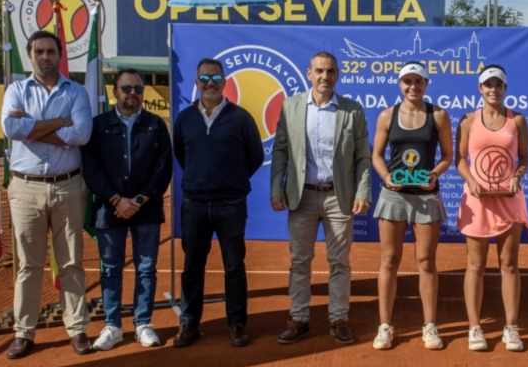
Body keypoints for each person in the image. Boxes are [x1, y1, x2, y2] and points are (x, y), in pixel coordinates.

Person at [1, 30, 93, 359]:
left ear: (59, 55)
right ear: (30, 56)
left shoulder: (77, 91)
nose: (45, 57)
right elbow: (11, 129)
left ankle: (77, 328)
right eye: (38, 51)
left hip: (68, 185)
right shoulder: (16, 90)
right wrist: (59, 122)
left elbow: (82, 134)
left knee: (71, 262)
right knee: (29, 265)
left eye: (50, 51)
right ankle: (24, 332)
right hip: (26, 187)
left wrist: (33, 127)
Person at [270, 52, 372, 345]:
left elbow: (362, 157)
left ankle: (338, 319)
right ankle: (299, 319)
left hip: (338, 197)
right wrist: (276, 187)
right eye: (319, 71)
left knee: (339, 262)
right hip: (301, 197)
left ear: (337, 74)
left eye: (330, 71)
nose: (324, 76)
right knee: (299, 261)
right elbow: (281, 150)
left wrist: (363, 191)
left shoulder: (352, 110)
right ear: (309, 73)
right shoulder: (291, 106)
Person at [172, 58, 264, 348]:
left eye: (215, 78)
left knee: (234, 266)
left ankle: (236, 324)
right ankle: (189, 323)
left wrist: (231, 181)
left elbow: (255, 157)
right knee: (192, 267)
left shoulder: (241, 118)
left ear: (224, 82)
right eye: (203, 78)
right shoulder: (184, 119)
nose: (209, 83)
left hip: (231, 204)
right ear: (196, 83)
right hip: (194, 204)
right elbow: (181, 154)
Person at [83, 69, 173, 350]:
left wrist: (140, 199)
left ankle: (143, 323)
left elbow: (163, 167)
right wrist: (116, 200)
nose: (132, 93)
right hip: (109, 209)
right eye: (126, 88)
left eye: (138, 88)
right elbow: (91, 167)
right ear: (115, 92)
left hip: (146, 208)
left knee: (146, 269)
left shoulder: (156, 124)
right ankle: (113, 326)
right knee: (111, 270)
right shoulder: (98, 125)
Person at [371, 61, 453, 350]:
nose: (413, 86)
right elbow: (377, 155)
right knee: (389, 261)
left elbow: (447, 156)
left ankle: (430, 326)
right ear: (400, 84)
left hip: (426, 197)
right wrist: (386, 176)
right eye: (407, 81)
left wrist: (434, 175)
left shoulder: (439, 115)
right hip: (393, 196)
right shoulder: (386, 115)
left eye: (418, 81)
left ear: (426, 83)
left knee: (426, 262)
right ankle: (385, 326)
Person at [455, 65, 528, 352]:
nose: (493, 90)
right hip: (477, 201)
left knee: (508, 265)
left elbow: (524, 158)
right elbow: (460, 160)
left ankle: (511, 327)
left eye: (498, 85)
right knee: (475, 266)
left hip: (509, 200)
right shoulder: (467, 120)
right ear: (480, 88)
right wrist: (471, 181)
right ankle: (475, 326)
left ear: (505, 88)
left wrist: (517, 177)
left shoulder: (518, 120)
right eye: (488, 85)